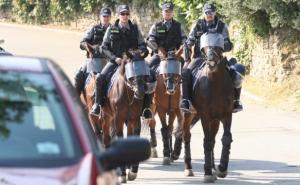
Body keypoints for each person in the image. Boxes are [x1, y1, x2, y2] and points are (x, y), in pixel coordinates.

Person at [91, 5, 154, 120]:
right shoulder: (112, 29)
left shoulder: (135, 28)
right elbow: (103, 47)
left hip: (133, 62)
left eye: (126, 14)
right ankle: (98, 105)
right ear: (118, 15)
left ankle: (146, 108)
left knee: (150, 77)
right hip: (116, 61)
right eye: (122, 14)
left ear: (129, 15)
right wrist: (115, 58)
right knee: (100, 78)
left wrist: (137, 53)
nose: (125, 16)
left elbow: (143, 46)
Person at [180, 3, 245, 113]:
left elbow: (227, 42)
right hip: (199, 57)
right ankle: (186, 101)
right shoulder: (197, 25)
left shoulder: (222, 26)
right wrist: (187, 60)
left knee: (236, 73)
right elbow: (188, 42)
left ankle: (236, 101)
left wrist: (225, 45)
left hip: (218, 58)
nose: (209, 15)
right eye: (207, 13)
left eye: (211, 12)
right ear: (203, 13)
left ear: (215, 13)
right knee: (186, 73)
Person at [74, 7, 112, 96]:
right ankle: (76, 100)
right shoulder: (93, 28)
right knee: (79, 74)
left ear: (110, 17)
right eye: (104, 16)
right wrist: (89, 47)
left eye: (108, 16)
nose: (106, 18)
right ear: (100, 17)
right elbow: (82, 43)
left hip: (109, 60)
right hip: (93, 60)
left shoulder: (114, 29)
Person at [147, 2, 186, 69]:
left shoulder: (178, 26)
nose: (168, 13)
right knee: (148, 68)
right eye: (166, 11)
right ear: (162, 12)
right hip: (159, 55)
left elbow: (184, 40)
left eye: (170, 11)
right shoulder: (156, 26)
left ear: (173, 13)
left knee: (185, 71)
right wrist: (158, 50)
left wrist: (180, 50)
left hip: (175, 55)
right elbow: (150, 40)